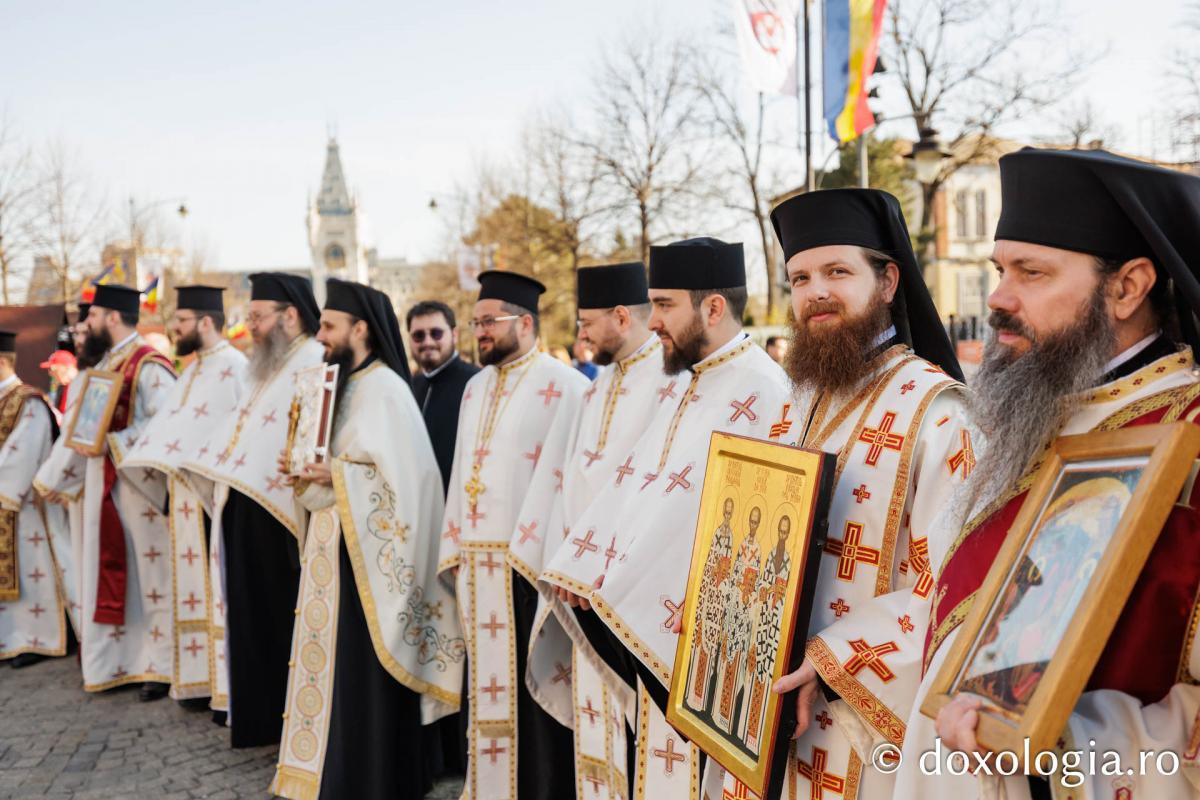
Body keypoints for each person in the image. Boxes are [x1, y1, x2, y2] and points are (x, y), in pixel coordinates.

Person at [795, 149, 1200, 799]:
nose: (999, 298)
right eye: (999, 270)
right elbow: (945, 603)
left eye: (1031, 273)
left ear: (1127, 287)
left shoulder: (1188, 434)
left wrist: (1056, 746)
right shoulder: (1032, 416)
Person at [712, 188, 970, 799]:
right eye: (800, 278)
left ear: (887, 282)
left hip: (858, 719)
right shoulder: (799, 402)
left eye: (837, 272)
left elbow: (956, 588)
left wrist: (833, 661)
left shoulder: (937, 411)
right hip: (768, 703)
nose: (815, 292)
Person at [540, 237, 791, 800]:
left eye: (664, 305)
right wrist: (584, 568)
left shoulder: (763, 389)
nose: (652, 321)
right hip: (653, 623)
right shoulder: (688, 382)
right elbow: (638, 486)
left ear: (713, 308)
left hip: (704, 642)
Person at [272, 279, 464, 800]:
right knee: (336, 671)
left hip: (372, 562)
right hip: (333, 548)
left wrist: (333, 473)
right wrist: (301, 469)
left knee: (365, 674)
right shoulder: (337, 386)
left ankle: (374, 778)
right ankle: (333, 770)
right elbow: (332, 469)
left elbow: (408, 483)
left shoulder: (386, 390)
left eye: (329, 326)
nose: (320, 336)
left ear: (360, 329)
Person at [508, 261, 665, 800]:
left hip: (630, 596)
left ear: (621, 317)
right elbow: (565, 482)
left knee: (637, 730)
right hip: (580, 593)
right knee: (597, 726)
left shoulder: (672, 384)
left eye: (586, 323)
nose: (580, 336)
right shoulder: (594, 391)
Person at [436, 269, 589, 800]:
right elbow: (463, 470)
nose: (478, 331)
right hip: (478, 570)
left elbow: (573, 485)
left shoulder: (567, 386)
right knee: (485, 690)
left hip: (531, 571)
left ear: (524, 323)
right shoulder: (474, 388)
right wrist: (455, 546)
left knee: (533, 698)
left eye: (488, 321)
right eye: (475, 322)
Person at [182, 272, 324, 747]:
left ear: (290, 315)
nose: (251, 327)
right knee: (250, 618)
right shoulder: (265, 367)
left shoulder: (313, 361)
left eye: (258, 317)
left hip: (280, 516)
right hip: (245, 505)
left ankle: (281, 719)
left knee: (277, 619)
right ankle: (258, 715)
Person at [38, 284, 177, 701]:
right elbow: (80, 429)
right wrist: (59, 478)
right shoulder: (104, 364)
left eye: (94, 316)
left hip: (139, 490)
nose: (87, 324)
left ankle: (159, 665)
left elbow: (167, 424)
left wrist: (115, 442)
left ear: (113, 317)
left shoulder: (148, 365)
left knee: (150, 577)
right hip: (101, 486)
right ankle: (121, 661)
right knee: (113, 573)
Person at [119, 286, 246, 708]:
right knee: (189, 590)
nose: (174, 327)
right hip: (182, 499)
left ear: (206, 322)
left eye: (181, 320)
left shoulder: (236, 368)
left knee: (218, 592)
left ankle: (226, 687)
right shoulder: (190, 372)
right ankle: (197, 680)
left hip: (214, 500)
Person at [0, 330, 72, 669]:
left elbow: (23, 454)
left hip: (24, 506)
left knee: (32, 572)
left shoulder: (28, 402)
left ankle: (36, 639)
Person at [408, 300, 480, 493]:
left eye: (436, 333)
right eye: (418, 335)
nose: (427, 342)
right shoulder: (410, 386)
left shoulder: (477, 383)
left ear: (454, 335)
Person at [40, 350, 78, 416]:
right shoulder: (66, 387)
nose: (50, 373)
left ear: (65, 367)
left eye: (51, 369)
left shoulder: (83, 385)